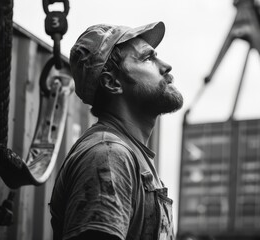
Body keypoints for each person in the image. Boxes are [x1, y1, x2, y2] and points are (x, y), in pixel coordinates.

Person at [50, 21, 183, 240]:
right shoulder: (108, 156)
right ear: (112, 83)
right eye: (147, 58)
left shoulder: (132, 156)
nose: (166, 65)